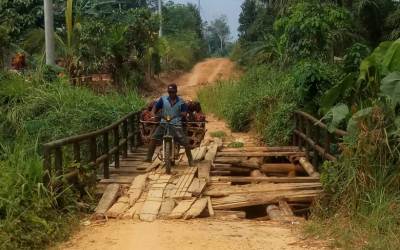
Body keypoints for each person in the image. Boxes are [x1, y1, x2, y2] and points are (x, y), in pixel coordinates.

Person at [144, 83, 194, 166]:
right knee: (154, 138)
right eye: (170, 92)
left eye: (173, 92)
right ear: (168, 92)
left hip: (176, 124)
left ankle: (190, 160)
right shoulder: (163, 99)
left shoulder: (181, 101)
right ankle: (148, 157)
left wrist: (182, 114)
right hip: (164, 123)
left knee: (185, 142)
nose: (171, 94)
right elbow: (155, 108)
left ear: (176, 92)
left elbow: (185, 112)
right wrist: (153, 114)